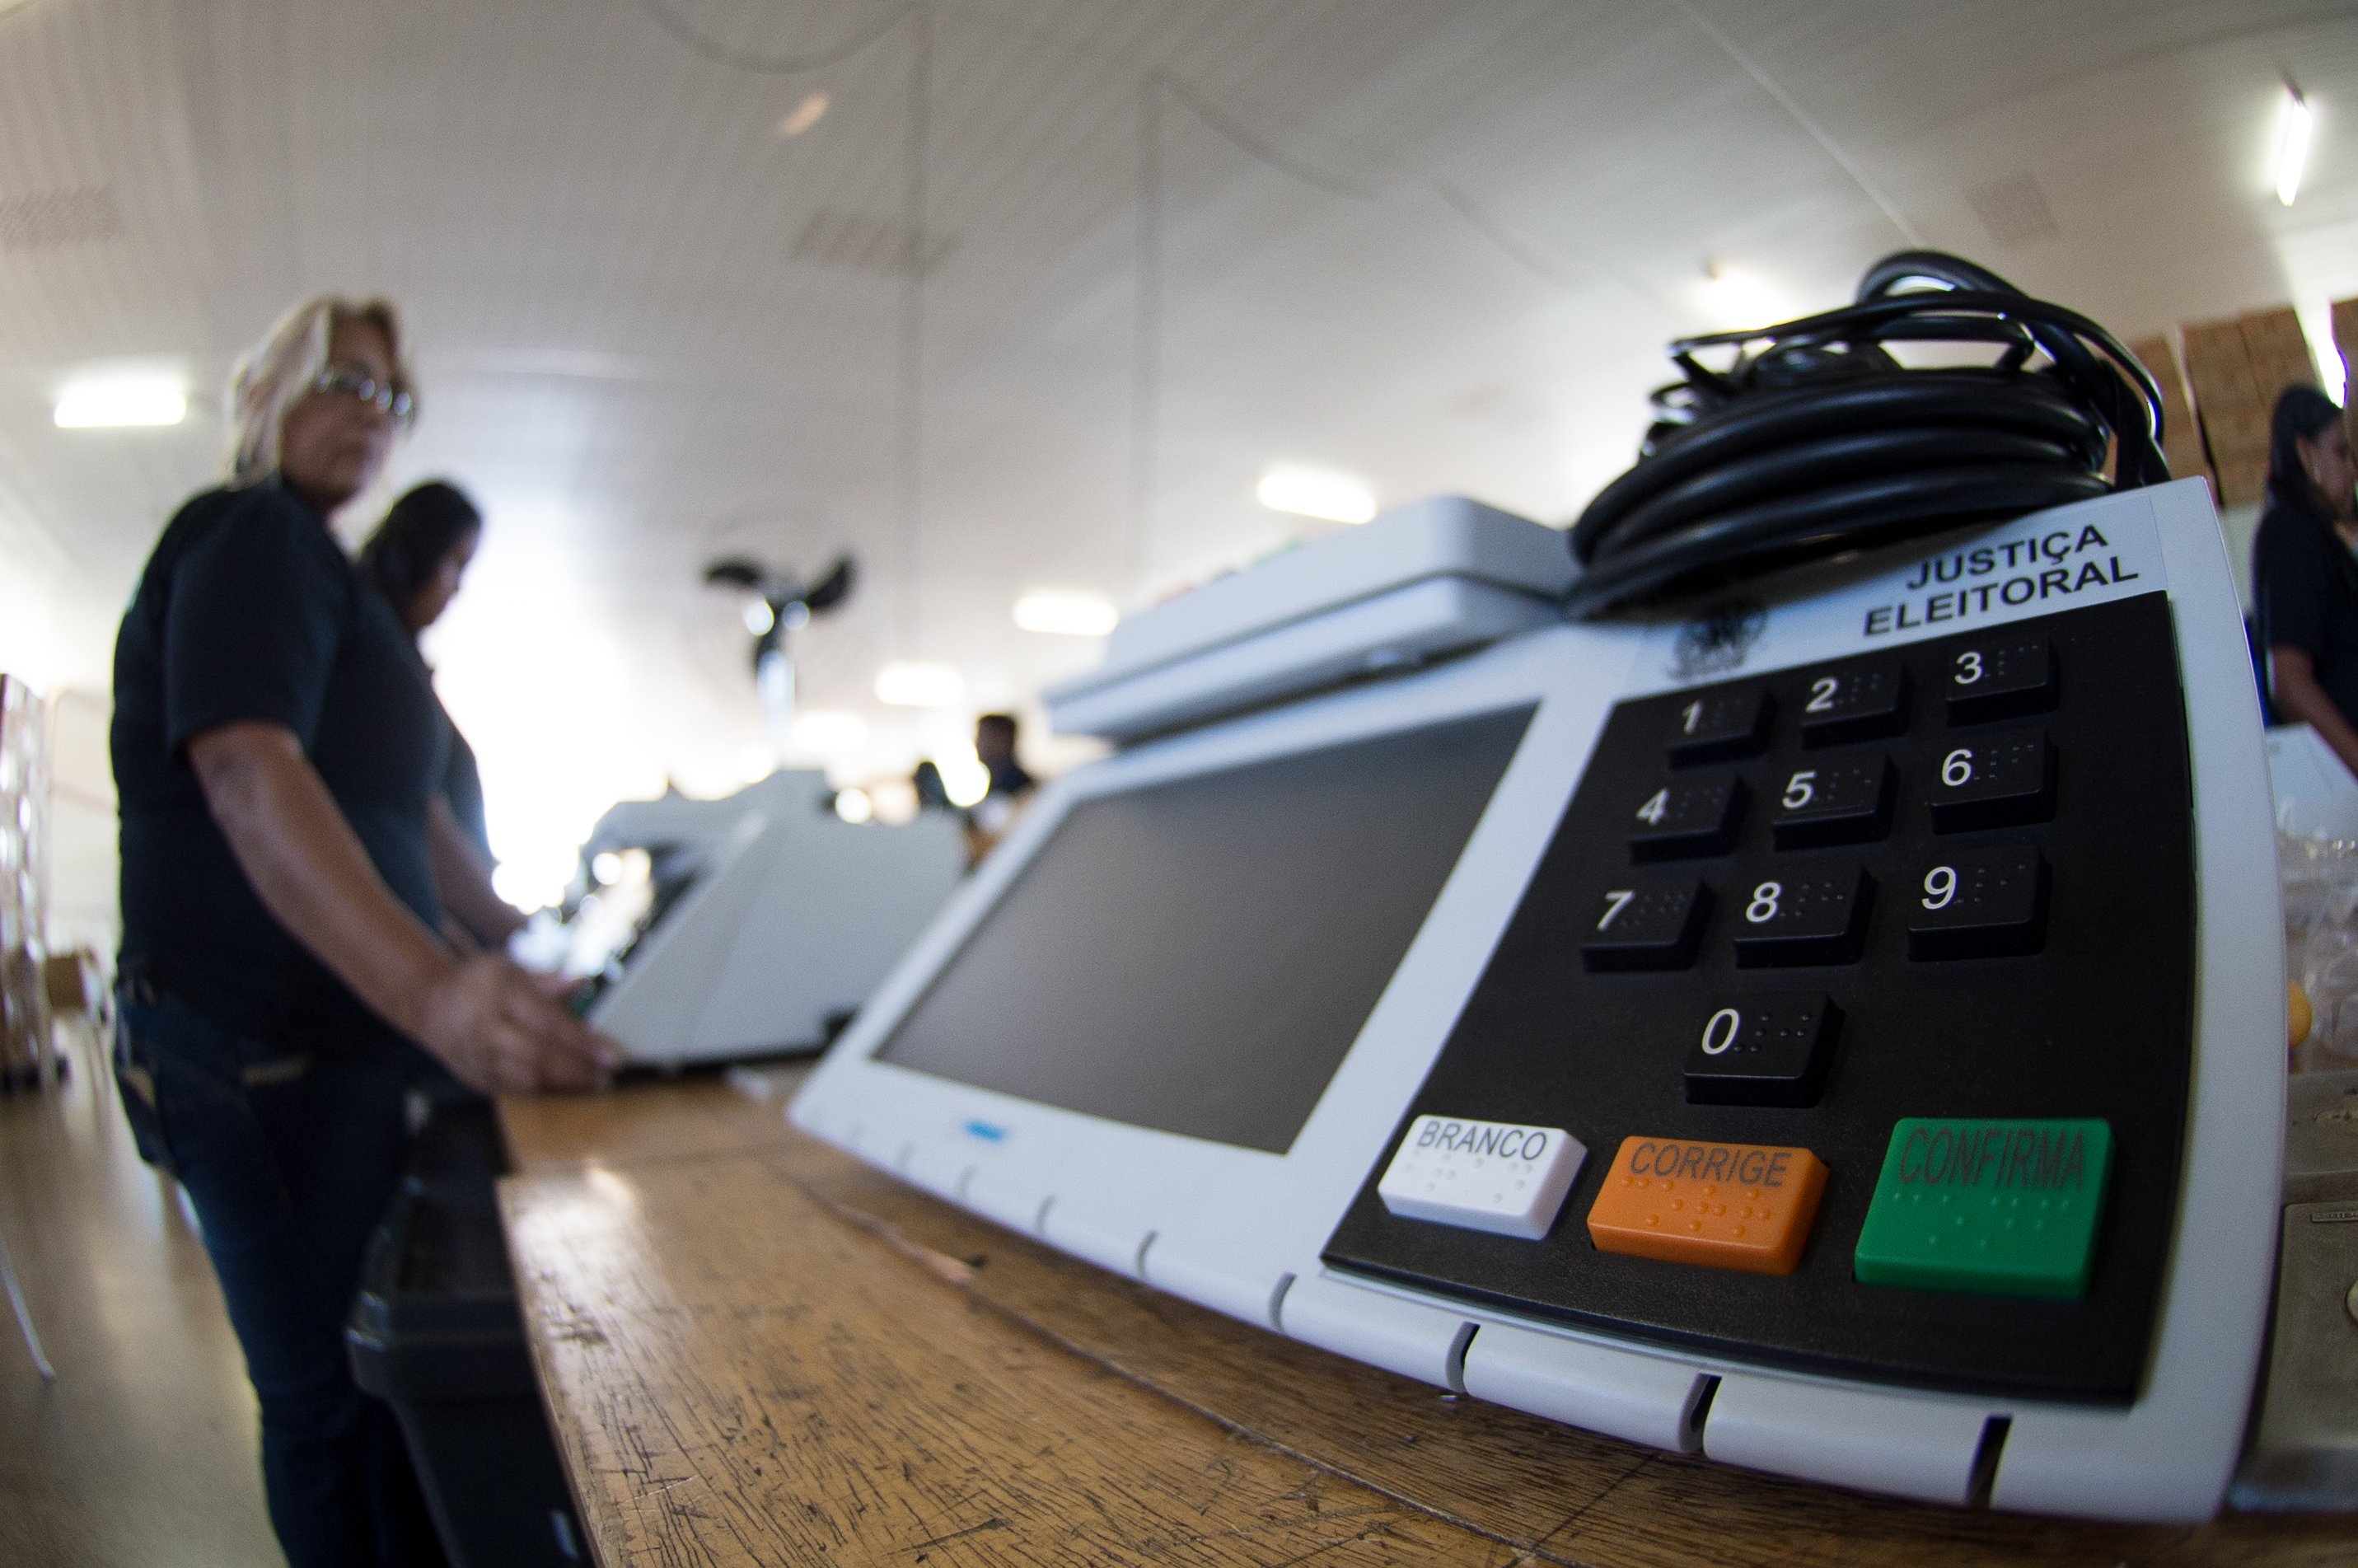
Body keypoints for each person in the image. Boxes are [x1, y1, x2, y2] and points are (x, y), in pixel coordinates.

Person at [109, 296, 619, 1568]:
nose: (370, 416)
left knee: (376, 1379)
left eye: (393, 399)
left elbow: (406, 815)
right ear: (265, 386)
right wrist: (438, 996)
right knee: (327, 1400)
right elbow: (243, 765)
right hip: (255, 1048)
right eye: (343, 380)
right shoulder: (250, 531)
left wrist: (517, 941)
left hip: (337, 1049)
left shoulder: (333, 586)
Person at [356, 480, 517, 948]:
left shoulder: (401, 663)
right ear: (415, 555)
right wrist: (514, 933)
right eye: (455, 564)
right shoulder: (377, 664)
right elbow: (416, 818)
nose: (458, 588)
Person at [2253, 386, 2358, 777]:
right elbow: (2290, 682)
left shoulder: (2318, 535)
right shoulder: (2292, 533)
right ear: (2304, 451)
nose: (2352, 470)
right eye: (2341, 452)